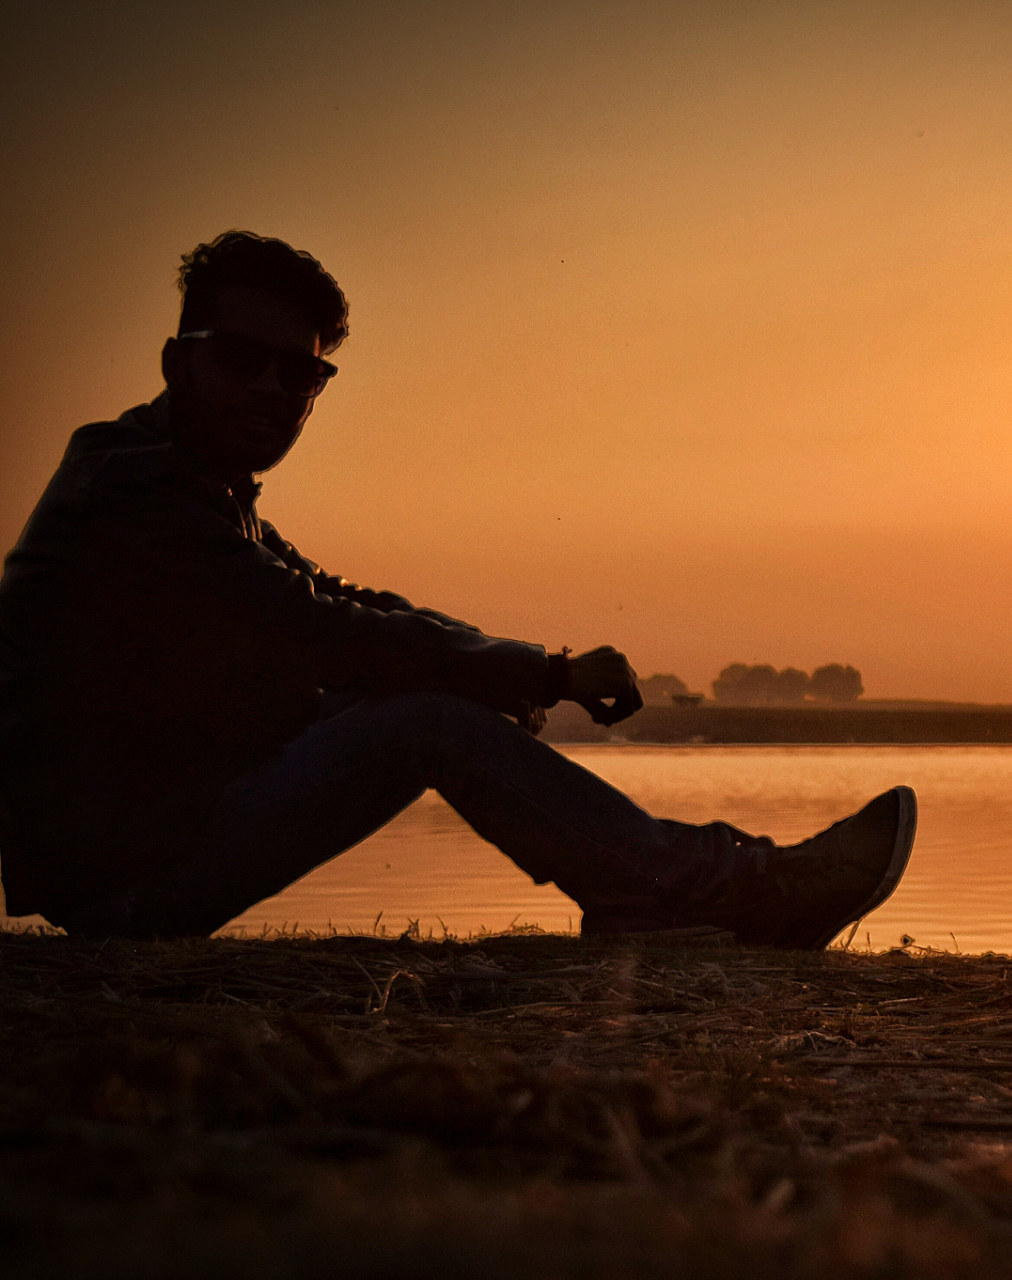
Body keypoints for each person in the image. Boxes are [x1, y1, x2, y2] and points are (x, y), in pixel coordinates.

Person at [0, 231, 915, 943]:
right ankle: (726, 890)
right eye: (244, 358)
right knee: (423, 720)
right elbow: (318, 629)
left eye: (303, 371)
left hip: (158, 831)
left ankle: (657, 892)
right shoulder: (133, 489)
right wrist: (542, 676)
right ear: (176, 361)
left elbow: (350, 605)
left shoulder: (200, 489)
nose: (275, 388)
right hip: (124, 876)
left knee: (417, 687)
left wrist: (496, 673)